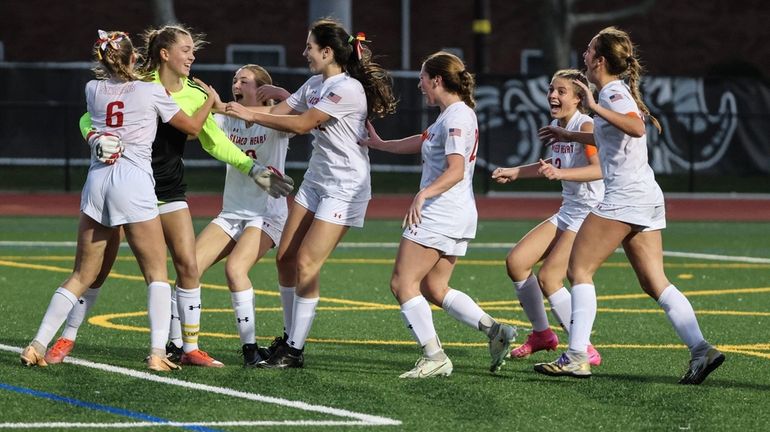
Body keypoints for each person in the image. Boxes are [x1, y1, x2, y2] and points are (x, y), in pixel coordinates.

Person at [44, 25, 293, 369]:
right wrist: (94, 138)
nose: (192, 56)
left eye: (193, 50)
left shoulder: (193, 91)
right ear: (165, 54)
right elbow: (89, 118)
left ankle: (187, 347)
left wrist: (255, 172)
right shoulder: (137, 81)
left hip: (169, 188)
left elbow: (212, 140)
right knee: (97, 270)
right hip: (128, 187)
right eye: (186, 49)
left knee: (188, 265)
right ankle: (67, 336)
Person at [533, 27, 724, 384]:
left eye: (589, 51)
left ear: (600, 60)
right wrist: (570, 134)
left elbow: (635, 128)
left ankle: (577, 356)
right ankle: (701, 350)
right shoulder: (613, 93)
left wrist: (591, 106)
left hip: (625, 197)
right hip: (646, 196)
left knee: (579, 271)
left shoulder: (611, 92)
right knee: (655, 282)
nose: (585, 55)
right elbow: (612, 135)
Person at [20, 30, 217, 372]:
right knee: (156, 273)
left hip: (97, 181)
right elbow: (192, 128)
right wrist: (210, 102)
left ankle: (38, 343)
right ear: (134, 58)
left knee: (82, 274)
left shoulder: (92, 89)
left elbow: (98, 120)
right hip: (133, 181)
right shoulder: (151, 90)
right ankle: (158, 353)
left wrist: (96, 135)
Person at [224, 18, 397, 369]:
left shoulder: (347, 88)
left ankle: (295, 350)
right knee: (285, 257)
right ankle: (289, 338)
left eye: (309, 47)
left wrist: (249, 114)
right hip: (317, 180)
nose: (304, 53)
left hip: (345, 186)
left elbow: (302, 124)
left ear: (328, 51)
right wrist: (225, 108)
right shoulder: (316, 82)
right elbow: (281, 112)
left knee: (306, 263)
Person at [361, 51, 517, 378]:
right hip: (456, 214)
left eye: (422, 78)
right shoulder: (451, 116)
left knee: (403, 283)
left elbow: (456, 169)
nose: (419, 85)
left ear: (437, 80)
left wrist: (423, 194)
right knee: (434, 288)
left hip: (440, 213)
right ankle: (495, 331)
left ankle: (434, 356)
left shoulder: (458, 116)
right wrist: (380, 144)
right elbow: (423, 141)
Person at [491, 69, 603, 366]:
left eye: (561, 91)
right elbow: (551, 164)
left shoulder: (586, 125)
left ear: (579, 98)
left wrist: (561, 173)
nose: (553, 95)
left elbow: (600, 169)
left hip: (589, 213)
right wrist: (517, 171)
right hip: (569, 210)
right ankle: (542, 335)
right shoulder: (557, 125)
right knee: (516, 262)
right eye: (551, 89)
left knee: (550, 276)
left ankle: (584, 347)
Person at [195, 64, 292, 367]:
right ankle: (180, 345)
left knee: (236, 270)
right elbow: (199, 124)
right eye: (235, 79)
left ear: (260, 89)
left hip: (265, 213)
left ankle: (250, 350)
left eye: (244, 80)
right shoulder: (226, 119)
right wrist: (203, 100)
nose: (236, 84)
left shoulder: (273, 118)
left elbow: (300, 116)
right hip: (232, 211)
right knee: (189, 267)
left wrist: (279, 94)